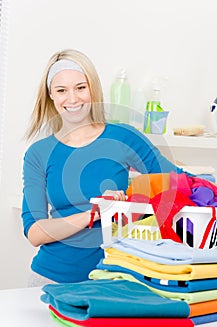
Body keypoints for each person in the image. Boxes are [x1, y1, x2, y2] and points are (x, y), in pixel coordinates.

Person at [22, 48, 190, 286]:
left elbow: (176, 180)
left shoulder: (123, 138)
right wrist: (95, 213)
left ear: (93, 88)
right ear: (51, 96)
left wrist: (126, 202)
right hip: (50, 279)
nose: (72, 99)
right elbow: (35, 232)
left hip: (112, 280)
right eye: (62, 91)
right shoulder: (38, 154)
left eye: (81, 87)